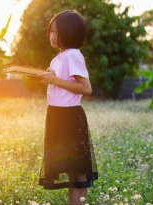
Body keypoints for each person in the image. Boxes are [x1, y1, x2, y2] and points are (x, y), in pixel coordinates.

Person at [36, 10, 98, 205]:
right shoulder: (59, 57)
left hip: (69, 117)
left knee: (78, 171)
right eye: (50, 31)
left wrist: (55, 80)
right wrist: (51, 79)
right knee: (70, 170)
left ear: (68, 32)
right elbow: (62, 82)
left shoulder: (72, 55)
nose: (51, 36)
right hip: (56, 115)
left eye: (56, 32)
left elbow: (86, 88)